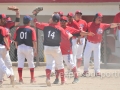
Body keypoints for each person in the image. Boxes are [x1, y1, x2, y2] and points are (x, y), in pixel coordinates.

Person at [53, 16, 95, 84]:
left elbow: (80, 32)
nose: (63, 22)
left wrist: (87, 33)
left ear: (67, 22)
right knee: (57, 65)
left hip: (67, 51)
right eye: (61, 21)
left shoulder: (70, 29)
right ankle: (57, 79)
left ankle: (76, 78)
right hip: (58, 50)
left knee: (70, 64)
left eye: (64, 21)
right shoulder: (57, 28)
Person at [34, 14, 72, 86]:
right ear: (58, 21)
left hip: (47, 48)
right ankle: (63, 81)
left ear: (52, 19)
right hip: (56, 48)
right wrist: (70, 35)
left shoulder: (46, 26)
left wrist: (35, 16)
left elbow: (36, 24)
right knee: (60, 65)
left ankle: (48, 78)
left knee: (49, 64)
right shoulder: (60, 28)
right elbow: (67, 37)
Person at [13, 15, 37, 84]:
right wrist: (35, 49)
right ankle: (32, 79)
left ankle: (20, 79)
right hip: (28, 47)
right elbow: (34, 41)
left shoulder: (18, 28)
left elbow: (15, 39)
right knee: (31, 63)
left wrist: (16, 46)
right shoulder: (31, 29)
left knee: (20, 63)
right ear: (29, 22)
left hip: (20, 47)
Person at [0, 6, 20, 82]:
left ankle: (12, 79)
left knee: (7, 64)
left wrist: (17, 12)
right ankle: (2, 79)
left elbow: (17, 22)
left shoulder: (7, 25)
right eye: (3, 19)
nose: (5, 20)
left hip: (5, 47)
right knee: (2, 64)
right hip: (4, 46)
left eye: (5, 18)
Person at [0, 14, 14, 87]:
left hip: (1, 47)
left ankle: (9, 74)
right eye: (3, 19)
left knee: (2, 65)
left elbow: (5, 38)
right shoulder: (2, 28)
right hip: (3, 48)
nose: (5, 20)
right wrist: (8, 46)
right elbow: (5, 38)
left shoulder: (2, 28)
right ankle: (1, 81)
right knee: (6, 64)